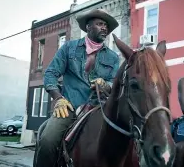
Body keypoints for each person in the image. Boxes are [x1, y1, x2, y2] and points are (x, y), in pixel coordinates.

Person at [34, 9, 120, 167]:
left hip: (98, 110)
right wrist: (58, 99)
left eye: (106, 26)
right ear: (88, 27)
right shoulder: (68, 48)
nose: (104, 28)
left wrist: (105, 85)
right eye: (100, 24)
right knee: (47, 140)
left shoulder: (114, 57)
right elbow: (50, 74)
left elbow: (115, 83)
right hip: (69, 107)